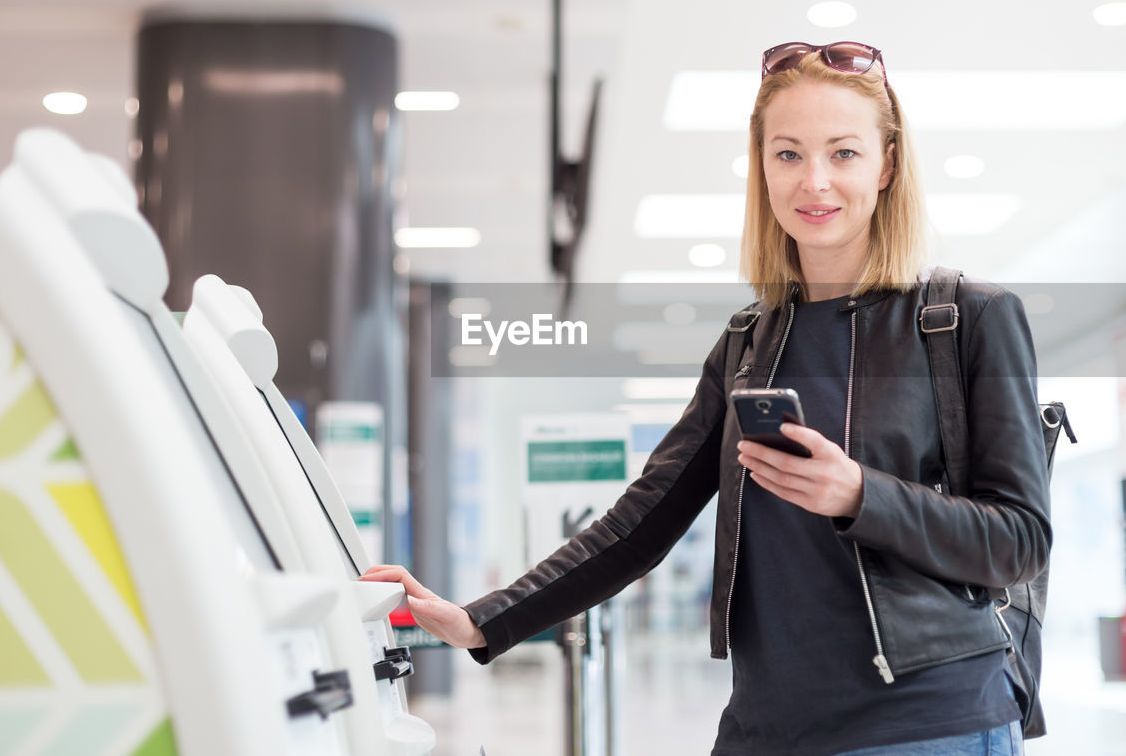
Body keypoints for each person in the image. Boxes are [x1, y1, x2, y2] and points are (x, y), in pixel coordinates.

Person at [363, 41, 1049, 755]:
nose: (814, 181)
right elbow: (642, 520)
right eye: (787, 154)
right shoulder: (748, 343)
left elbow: (1021, 539)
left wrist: (859, 494)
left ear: (889, 164)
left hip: (924, 723)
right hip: (765, 727)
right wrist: (483, 620)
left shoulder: (966, 319)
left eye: (843, 153)